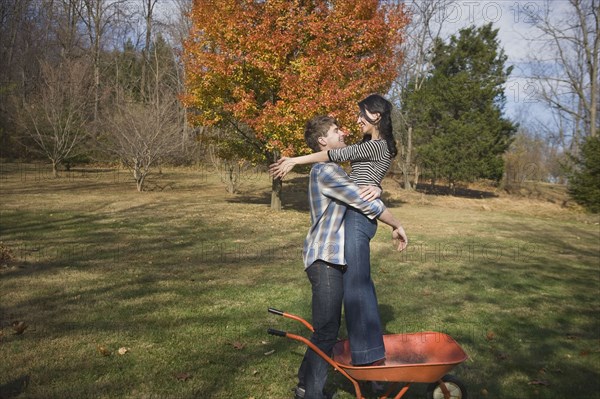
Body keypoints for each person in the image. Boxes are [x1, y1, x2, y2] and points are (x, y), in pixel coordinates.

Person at [270, 94, 397, 367]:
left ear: (376, 116)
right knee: (356, 286)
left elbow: (333, 154)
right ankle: (366, 359)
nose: (356, 120)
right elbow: (361, 179)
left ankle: (369, 360)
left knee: (357, 287)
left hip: (360, 217)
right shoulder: (370, 145)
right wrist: (378, 187)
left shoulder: (378, 145)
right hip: (356, 213)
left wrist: (294, 160)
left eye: (362, 114)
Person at [292, 115, 407, 399]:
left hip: (329, 258)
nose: (343, 132)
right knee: (327, 330)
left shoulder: (335, 171)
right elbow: (363, 201)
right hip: (325, 257)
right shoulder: (326, 171)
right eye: (335, 131)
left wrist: (378, 187)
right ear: (322, 141)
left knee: (325, 328)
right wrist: (396, 224)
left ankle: (305, 385)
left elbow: (366, 187)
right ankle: (313, 394)